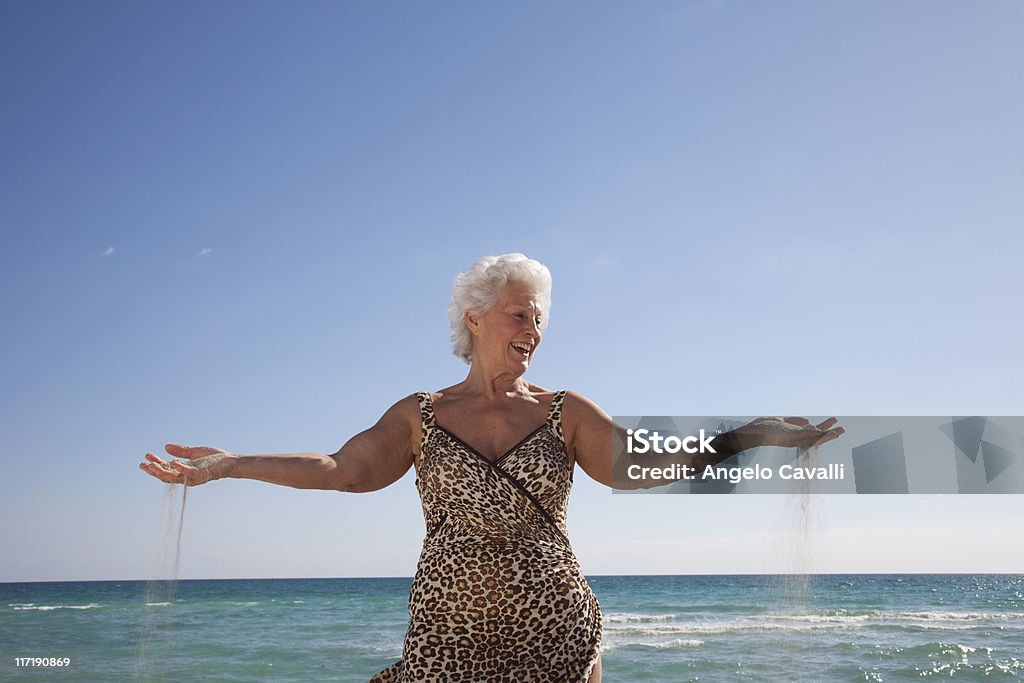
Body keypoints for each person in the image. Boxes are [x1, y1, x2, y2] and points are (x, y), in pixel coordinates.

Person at [139, 253, 843, 682]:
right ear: (475, 318)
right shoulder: (419, 413)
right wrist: (230, 465)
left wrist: (749, 436)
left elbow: (640, 464)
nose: (531, 330)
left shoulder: (566, 410)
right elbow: (341, 467)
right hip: (448, 638)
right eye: (517, 315)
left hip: (556, 632)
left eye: (537, 319)